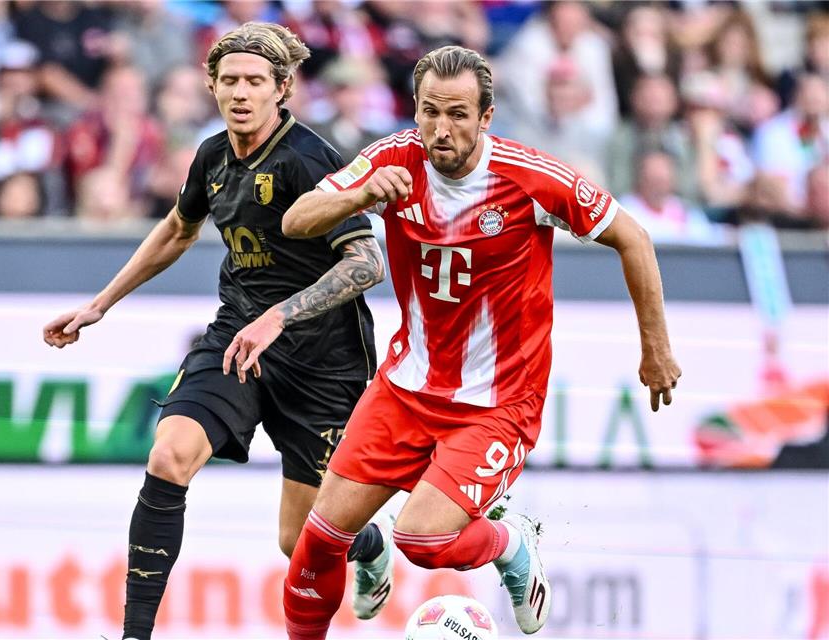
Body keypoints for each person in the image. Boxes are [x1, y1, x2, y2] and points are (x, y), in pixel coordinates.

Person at [278, 45, 682, 639]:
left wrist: (656, 348)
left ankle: (511, 544)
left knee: (422, 538)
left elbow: (633, 237)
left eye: (458, 114)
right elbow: (296, 220)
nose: (441, 129)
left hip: (497, 402)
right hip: (405, 388)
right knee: (315, 540)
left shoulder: (530, 177)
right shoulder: (392, 159)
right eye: (429, 112)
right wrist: (357, 197)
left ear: (486, 117)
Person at [42, 22, 394, 640]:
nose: (240, 92)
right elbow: (178, 229)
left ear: (281, 88)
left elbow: (367, 263)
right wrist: (101, 303)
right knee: (169, 455)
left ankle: (367, 546)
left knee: (298, 539)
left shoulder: (309, 158)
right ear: (211, 85)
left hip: (323, 361)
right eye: (229, 80)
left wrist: (280, 316)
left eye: (255, 81)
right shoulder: (211, 155)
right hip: (238, 339)